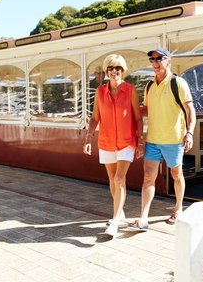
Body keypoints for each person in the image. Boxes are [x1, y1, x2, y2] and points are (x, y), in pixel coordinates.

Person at [129, 47, 196, 231]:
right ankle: (143, 218)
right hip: (153, 140)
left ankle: (178, 209)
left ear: (168, 61)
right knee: (148, 177)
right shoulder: (149, 86)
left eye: (159, 58)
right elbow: (147, 110)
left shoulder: (178, 83)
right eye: (152, 59)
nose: (155, 62)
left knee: (176, 175)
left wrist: (189, 133)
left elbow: (191, 110)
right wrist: (125, 109)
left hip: (174, 140)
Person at [83, 54, 143, 237]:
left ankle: (115, 221)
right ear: (106, 71)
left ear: (123, 70)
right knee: (111, 178)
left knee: (119, 178)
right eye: (110, 68)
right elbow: (95, 118)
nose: (114, 71)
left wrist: (140, 141)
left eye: (117, 68)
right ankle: (120, 210)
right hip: (106, 141)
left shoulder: (130, 90)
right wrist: (88, 136)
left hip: (126, 142)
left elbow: (138, 118)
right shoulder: (100, 92)